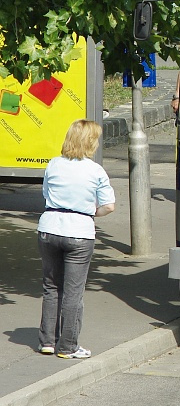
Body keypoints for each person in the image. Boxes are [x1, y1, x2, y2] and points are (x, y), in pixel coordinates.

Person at [37, 119, 116, 359]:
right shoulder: (95, 170)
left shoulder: (54, 165)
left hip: (49, 228)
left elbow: (46, 194)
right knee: (73, 292)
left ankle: (47, 341)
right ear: (91, 142)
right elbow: (109, 206)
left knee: (51, 286)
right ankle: (68, 346)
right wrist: (91, 213)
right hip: (79, 233)